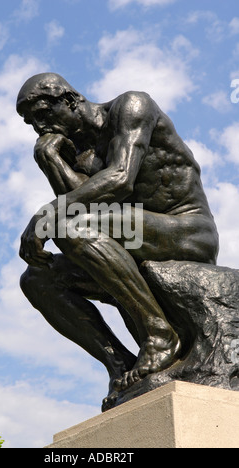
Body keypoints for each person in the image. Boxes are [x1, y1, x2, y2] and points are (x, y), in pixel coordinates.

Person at [16, 73, 219, 409]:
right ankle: (119, 365)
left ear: (70, 99)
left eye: (43, 114)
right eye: (31, 122)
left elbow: (121, 180)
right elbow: (85, 204)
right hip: (133, 236)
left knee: (67, 226)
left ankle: (159, 335)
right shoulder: (77, 155)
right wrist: (49, 160)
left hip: (186, 230)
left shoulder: (131, 106)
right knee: (38, 279)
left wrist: (45, 215)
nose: (40, 126)